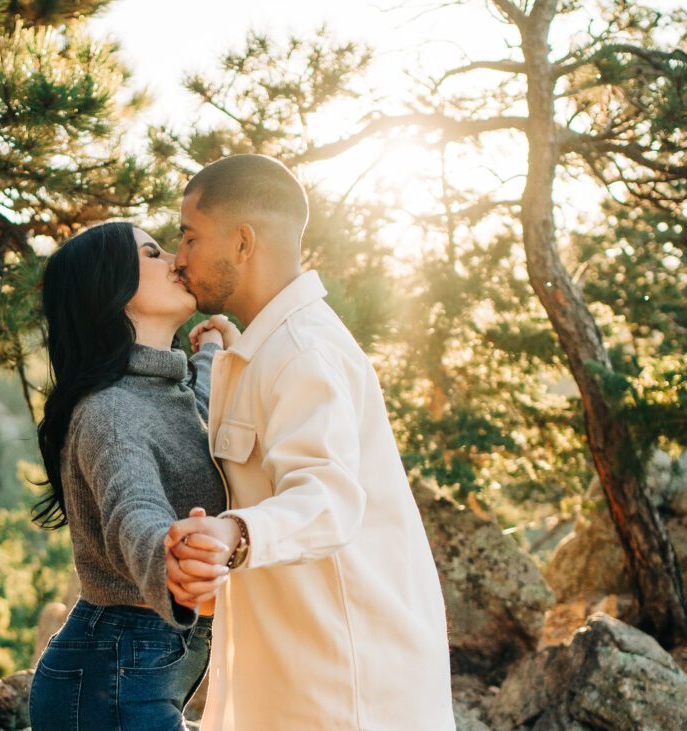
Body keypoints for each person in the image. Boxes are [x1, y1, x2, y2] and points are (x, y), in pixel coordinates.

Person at [164, 155, 456, 730]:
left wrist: (233, 533)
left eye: (191, 238)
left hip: (343, 684)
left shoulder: (303, 353)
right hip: (291, 673)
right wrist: (230, 353)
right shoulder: (270, 349)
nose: (179, 258)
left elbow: (327, 495)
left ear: (244, 243)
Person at [28, 221, 229, 730]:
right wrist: (168, 560)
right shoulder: (110, 412)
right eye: (153, 252)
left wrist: (213, 353)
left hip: (131, 670)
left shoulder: (164, 390)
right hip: (107, 680)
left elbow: (196, 413)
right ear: (111, 288)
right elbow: (131, 506)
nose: (176, 261)